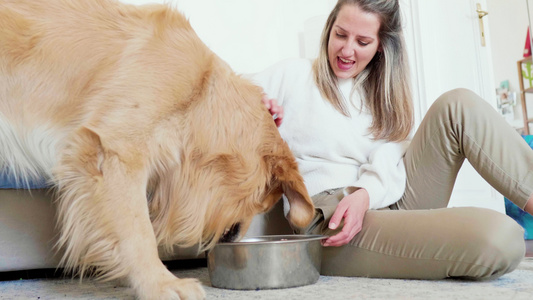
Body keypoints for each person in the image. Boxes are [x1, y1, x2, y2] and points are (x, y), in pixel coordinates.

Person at [251, 0, 533, 280]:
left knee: (459, 104)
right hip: (332, 217)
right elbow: (230, 93)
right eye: (340, 34)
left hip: (384, 196)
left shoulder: (382, 95)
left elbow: (392, 152)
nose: (346, 50)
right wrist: (258, 106)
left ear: (381, 46)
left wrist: (366, 194)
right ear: (329, 29)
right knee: (502, 238)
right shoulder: (293, 74)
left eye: (362, 41)